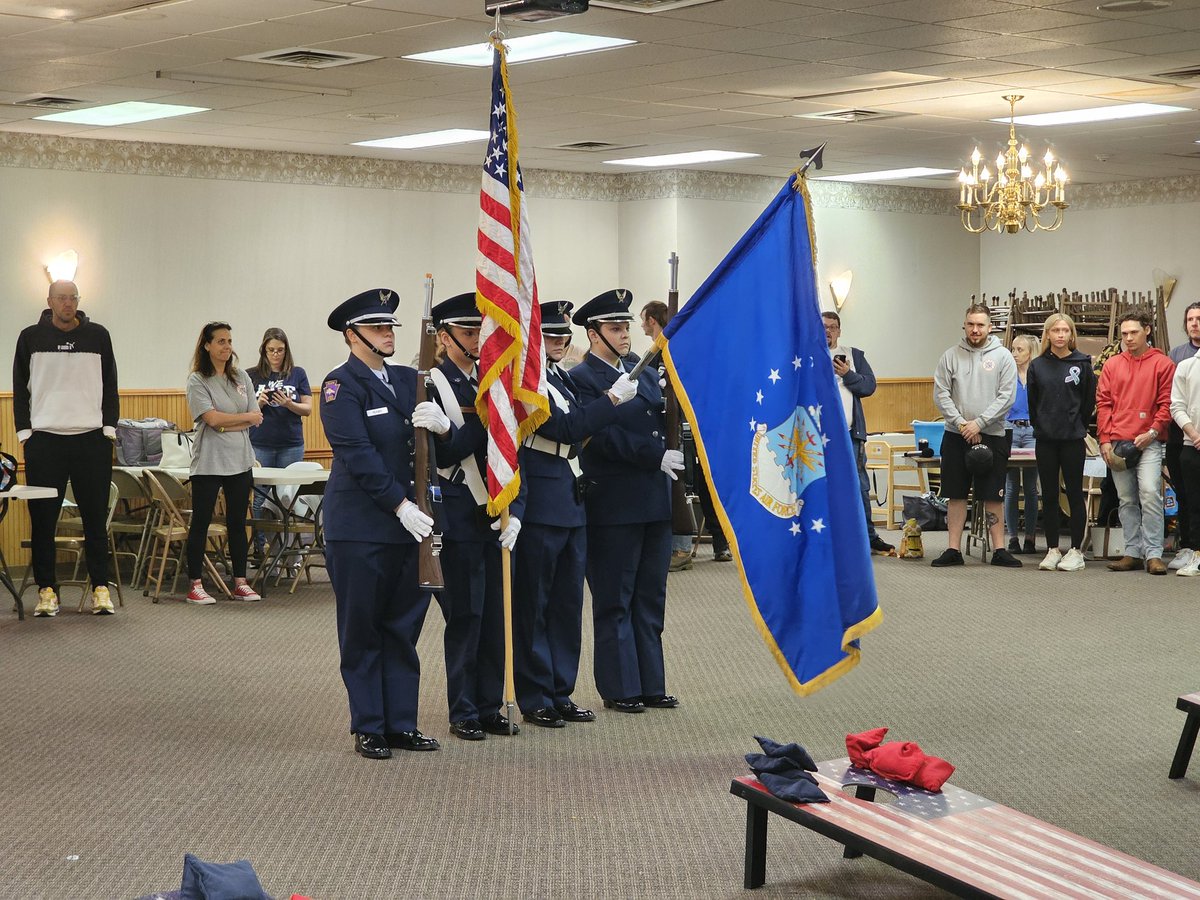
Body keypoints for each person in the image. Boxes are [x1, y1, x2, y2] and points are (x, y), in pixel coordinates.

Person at [319, 287, 447, 759]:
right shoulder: (340, 386)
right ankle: (369, 724)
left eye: (391, 326)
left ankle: (401, 723)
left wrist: (442, 426)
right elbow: (357, 454)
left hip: (408, 527)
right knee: (363, 626)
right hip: (361, 526)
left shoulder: (409, 380)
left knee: (402, 626)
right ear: (353, 336)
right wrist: (399, 504)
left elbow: (429, 452)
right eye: (377, 328)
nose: (387, 334)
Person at [509, 300, 637, 728]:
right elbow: (563, 428)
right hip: (542, 498)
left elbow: (576, 427)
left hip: (570, 493)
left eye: (564, 336)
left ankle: (559, 689)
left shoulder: (560, 378)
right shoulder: (528, 382)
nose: (559, 343)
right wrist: (611, 401)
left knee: (566, 604)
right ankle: (535, 694)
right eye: (550, 336)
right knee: (536, 602)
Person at [572, 289, 682, 713]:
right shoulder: (584, 380)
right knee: (615, 597)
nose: (624, 335)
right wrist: (653, 455)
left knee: (650, 595)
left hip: (654, 498)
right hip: (614, 502)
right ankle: (620, 688)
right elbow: (598, 437)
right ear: (593, 333)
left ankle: (651, 683)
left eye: (625, 327)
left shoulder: (648, 373)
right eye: (614, 328)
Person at [427, 292, 517, 741]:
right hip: (459, 510)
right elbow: (443, 454)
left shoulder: (492, 381)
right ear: (444, 338)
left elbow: (512, 453)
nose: (477, 340)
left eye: (479, 331)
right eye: (467, 333)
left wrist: (515, 509)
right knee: (466, 615)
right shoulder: (432, 385)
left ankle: (488, 704)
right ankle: (463, 708)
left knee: (496, 615)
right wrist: (482, 423)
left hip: (493, 511)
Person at [13, 279, 119, 617]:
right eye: (61, 299)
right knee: (43, 521)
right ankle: (47, 591)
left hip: (91, 438)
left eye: (72, 298)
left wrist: (109, 429)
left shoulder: (98, 335)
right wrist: (25, 433)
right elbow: (19, 386)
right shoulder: (31, 337)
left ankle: (100, 588)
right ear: (49, 301)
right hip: (44, 440)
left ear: (78, 302)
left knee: (94, 517)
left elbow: (111, 383)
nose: (67, 304)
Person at [931, 303, 1020, 568]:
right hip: (956, 434)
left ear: (990, 327)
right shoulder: (950, 356)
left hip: (992, 434)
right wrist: (961, 424)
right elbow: (941, 394)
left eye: (980, 325)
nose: (975, 329)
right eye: (970, 324)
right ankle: (953, 549)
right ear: (965, 325)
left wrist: (979, 423)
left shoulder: (1003, 357)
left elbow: (1007, 397)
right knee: (955, 493)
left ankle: (1000, 550)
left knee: (993, 494)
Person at [184, 322, 263, 604]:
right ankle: (195, 584)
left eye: (229, 341)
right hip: (209, 461)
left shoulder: (241, 377)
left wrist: (231, 422)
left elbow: (256, 415)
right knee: (201, 522)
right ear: (207, 345)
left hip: (240, 460)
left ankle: (240, 581)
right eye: (220, 341)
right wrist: (240, 421)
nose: (227, 346)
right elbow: (212, 419)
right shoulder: (197, 380)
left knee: (237, 522)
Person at [1096, 309, 1175, 575]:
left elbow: (1167, 404)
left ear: (1147, 330)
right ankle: (1132, 552)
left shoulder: (1162, 364)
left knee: (1150, 494)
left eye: (1134, 332)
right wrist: (1105, 440)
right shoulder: (1112, 364)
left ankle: (1154, 554)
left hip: (1149, 441)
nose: (1129, 338)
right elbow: (1103, 404)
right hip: (1118, 442)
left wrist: (1152, 432)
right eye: (1125, 334)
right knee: (1126, 498)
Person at [1027, 314, 1095, 572]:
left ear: (1071, 334)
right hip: (1045, 438)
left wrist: (1076, 425)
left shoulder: (1082, 363)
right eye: (1055, 330)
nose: (1060, 335)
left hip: (1072, 438)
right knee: (1050, 494)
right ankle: (1053, 548)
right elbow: (1034, 403)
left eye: (1065, 330)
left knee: (1075, 493)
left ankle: (1076, 550)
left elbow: (1088, 402)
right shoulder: (1038, 365)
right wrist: (1041, 425)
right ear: (1047, 335)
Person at [822, 311, 894, 555]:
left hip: (849, 434)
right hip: (815, 435)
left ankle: (868, 536)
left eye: (833, 327)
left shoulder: (854, 355)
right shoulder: (808, 355)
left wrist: (847, 374)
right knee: (820, 485)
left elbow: (869, 386)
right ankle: (825, 537)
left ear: (839, 331)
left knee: (859, 485)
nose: (828, 331)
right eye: (823, 327)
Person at [248, 328, 311, 559]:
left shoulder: (298, 373)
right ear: (264, 351)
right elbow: (244, 412)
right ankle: (260, 549)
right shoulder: (252, 375)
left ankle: (287, 551)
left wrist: (288, 404)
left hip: (290, 444)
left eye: (280, 350)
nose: (276, 355)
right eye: (271, 350)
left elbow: (308, 409)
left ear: (286, 351)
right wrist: (259, 403)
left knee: (288, 497)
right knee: (260, 497)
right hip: (260, 443)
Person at [1167, 302, 1200, 570]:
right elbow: (1174, 401)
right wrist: (1192, 432)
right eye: (1190, 319)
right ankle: (1188, 545)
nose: (1194, 323)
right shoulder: (1178, 356)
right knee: (1187, 495)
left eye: (1199, 318)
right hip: (1183, 438)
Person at [1004, 334, 1040, 554]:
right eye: (1013, 349)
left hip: (1032, 430)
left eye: (1020, 350)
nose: (1015, 354)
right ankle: (1012, 537)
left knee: (1030, 487)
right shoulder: (1007, 374)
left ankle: (1030, 537)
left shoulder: (1036, 375)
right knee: (1010, 487)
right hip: (1010, 428)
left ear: (1030, 352)